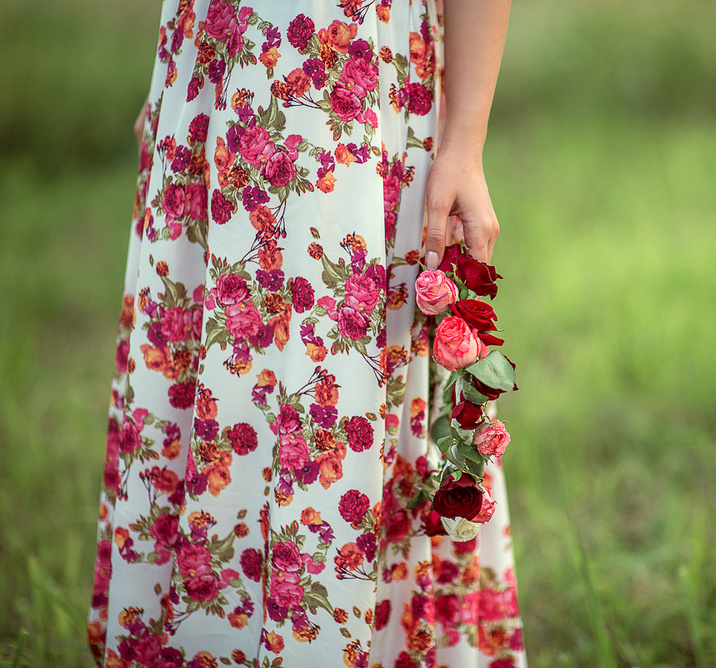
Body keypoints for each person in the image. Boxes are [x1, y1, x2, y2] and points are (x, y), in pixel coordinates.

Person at [86, 0, 526, 666]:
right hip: (217, 79)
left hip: (367, 78)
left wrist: (464, 143)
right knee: (213, 379)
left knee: (359, 380)